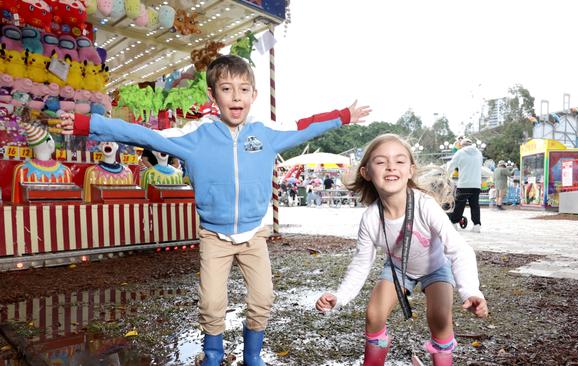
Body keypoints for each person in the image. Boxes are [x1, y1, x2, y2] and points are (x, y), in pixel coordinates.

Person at [57, 54, 371, 366]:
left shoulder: (265, 133)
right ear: (213, 96)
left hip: (253, 236)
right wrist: (89, 123)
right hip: (214, 236)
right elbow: (142, 134)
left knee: (263, 298)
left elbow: (306, 127)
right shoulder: (194, 137)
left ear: (254, 95)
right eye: (227, 89)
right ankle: (213, 355)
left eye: (244, 89)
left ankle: (252, 355)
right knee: (212, 302)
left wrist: (343, 115)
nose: (236, 96)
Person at [315, 134, 488, 366]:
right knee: (374, 315)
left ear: (410, 170)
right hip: (397, 269)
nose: (390, 167)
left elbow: (460, 250)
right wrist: (340, 297)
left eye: (399, 161)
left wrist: (471, 292)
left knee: (440, 318)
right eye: (380, 161)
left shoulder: (424, 205)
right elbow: (361, 263)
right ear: (366, 172)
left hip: (436, 268)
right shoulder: (370, 218)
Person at [447, 138, 483, 233]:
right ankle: (477, 225)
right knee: (475, 205)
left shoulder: (460, 152)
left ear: (462, 145)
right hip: (476, 184)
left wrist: (446, 175)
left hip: (464, 184)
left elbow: (451, 165)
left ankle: (454, 224)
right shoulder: (479, 153)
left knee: (459, 205)